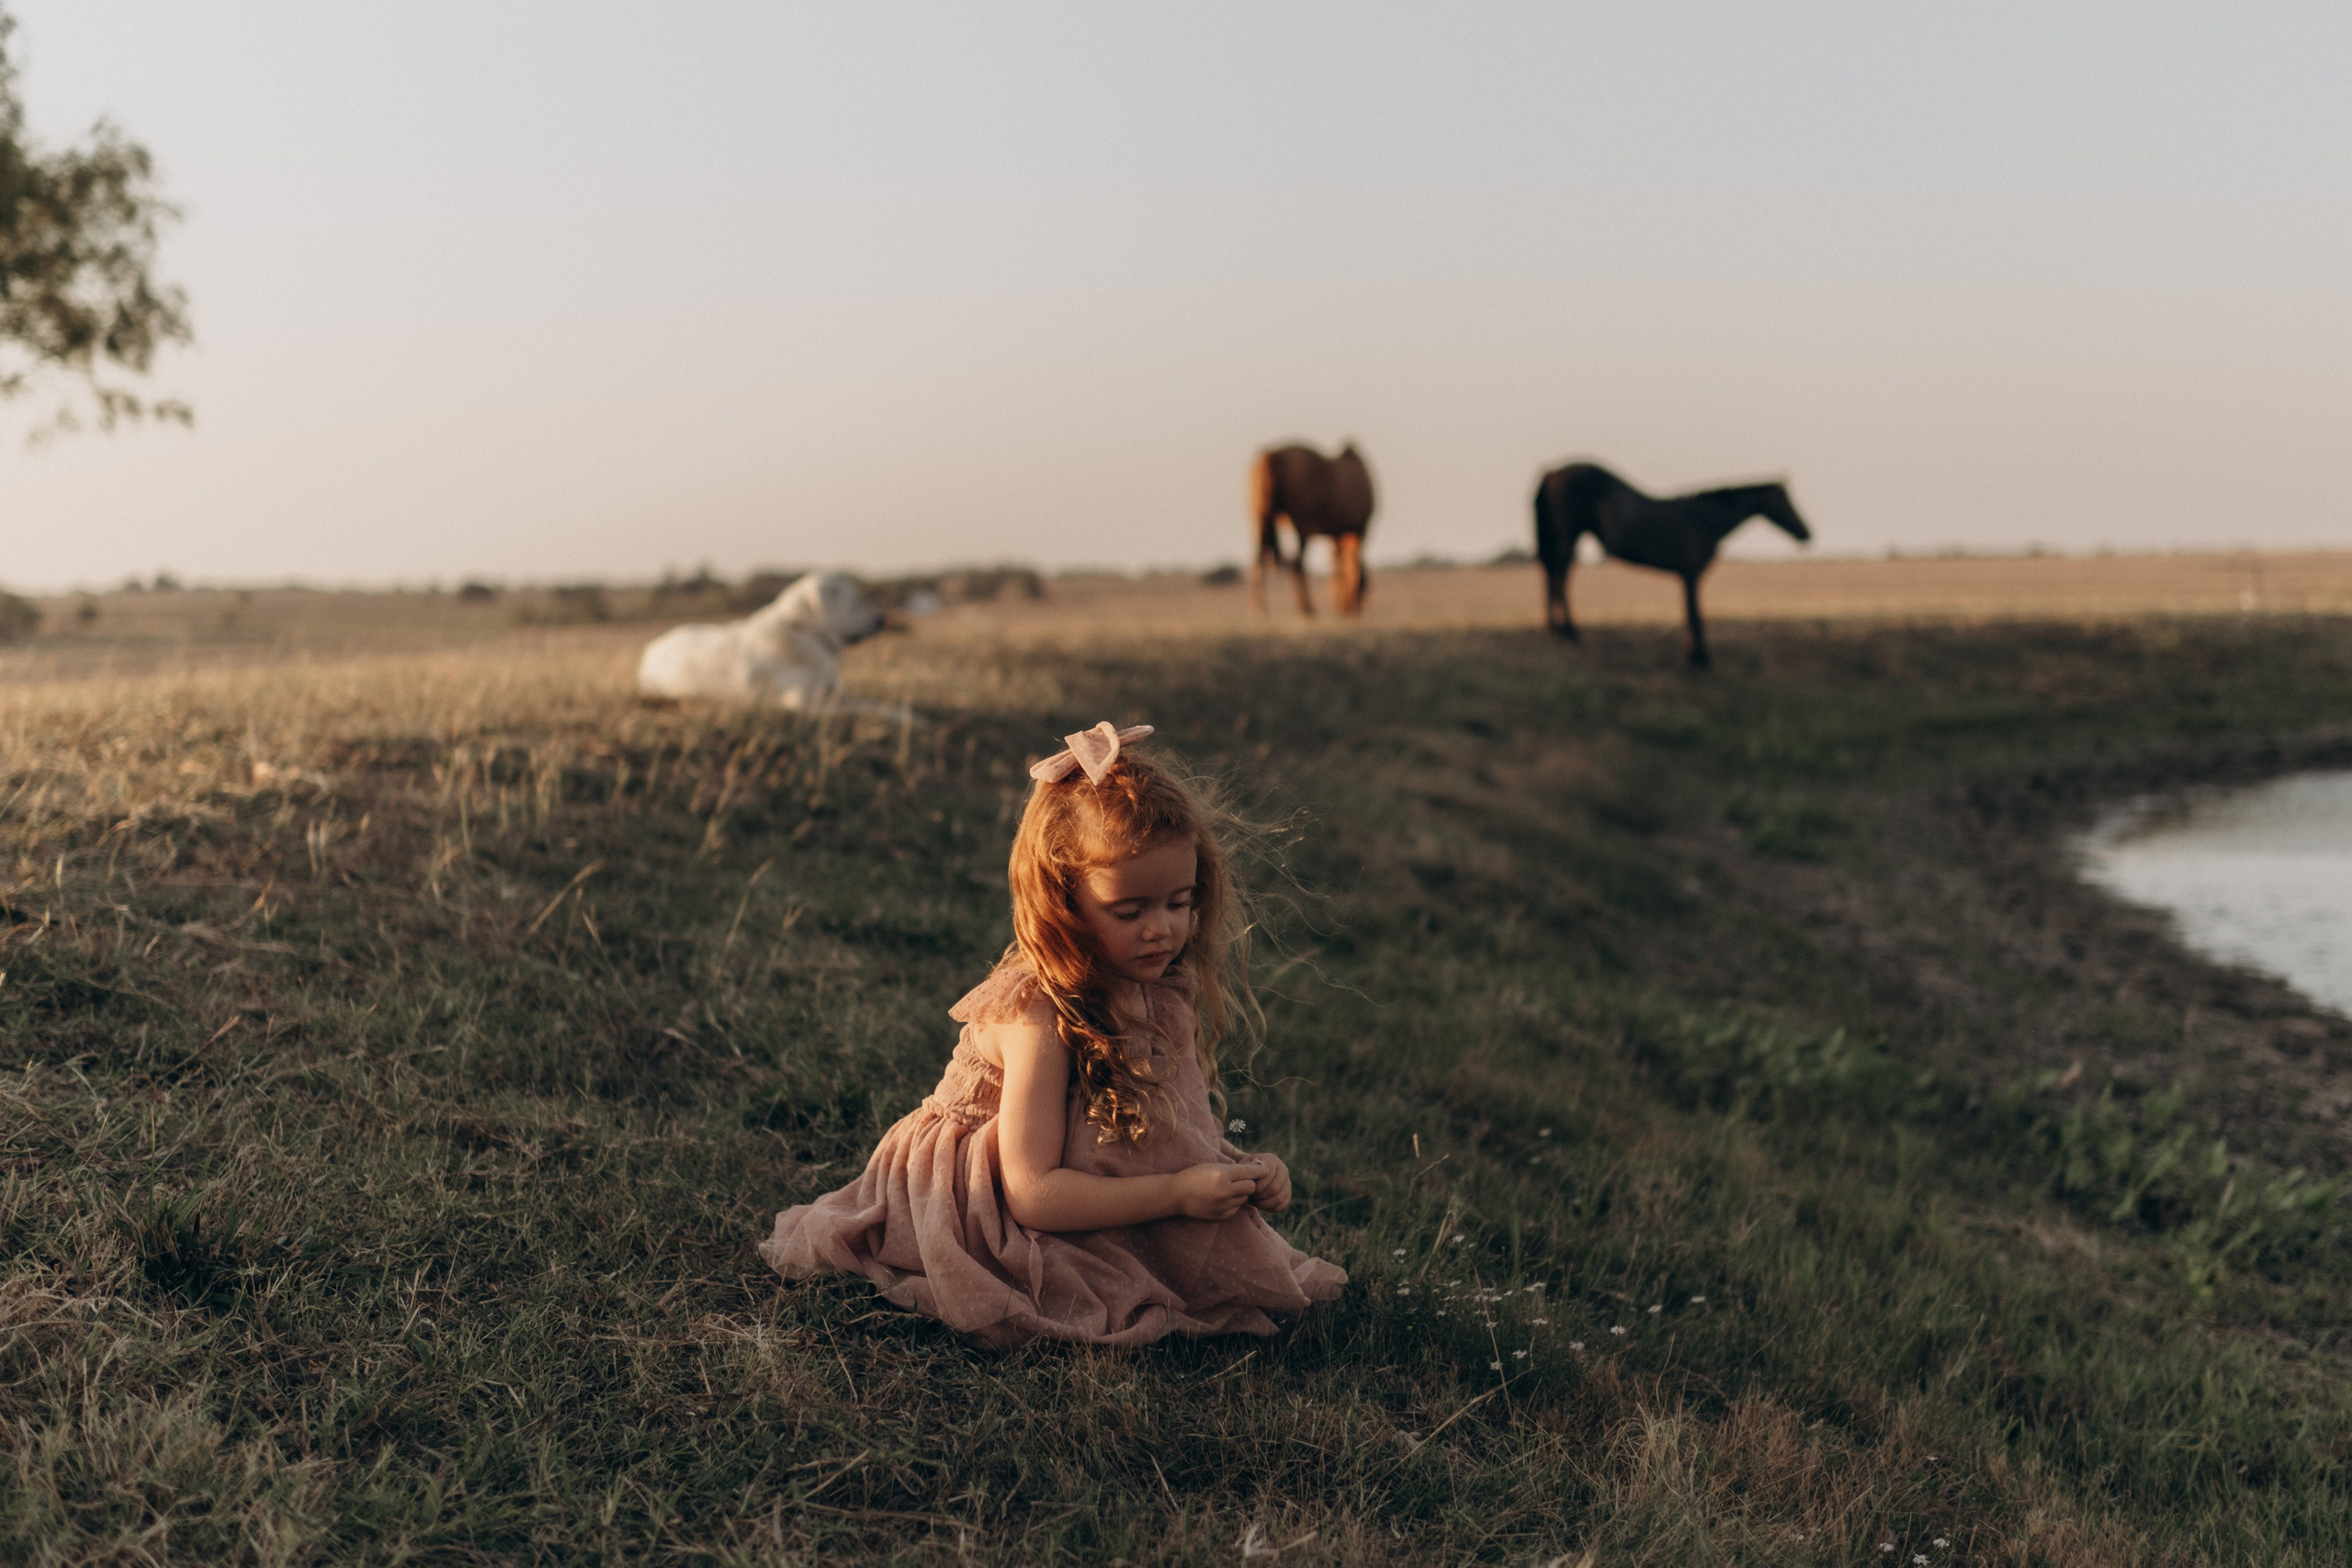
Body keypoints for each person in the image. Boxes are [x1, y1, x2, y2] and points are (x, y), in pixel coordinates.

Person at [759, 721, 1347, 1346]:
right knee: (1098, 1291)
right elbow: (1033, 1193)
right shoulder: (1037, 1013)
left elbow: (1173, 1127)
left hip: (1074, 1166)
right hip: (987, 1199)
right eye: (1130, 910)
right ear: (1065, 903)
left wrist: (1241, 1168)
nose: (1161, 931)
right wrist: (1175, 1192)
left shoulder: (1162, 986)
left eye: (1178, 902)